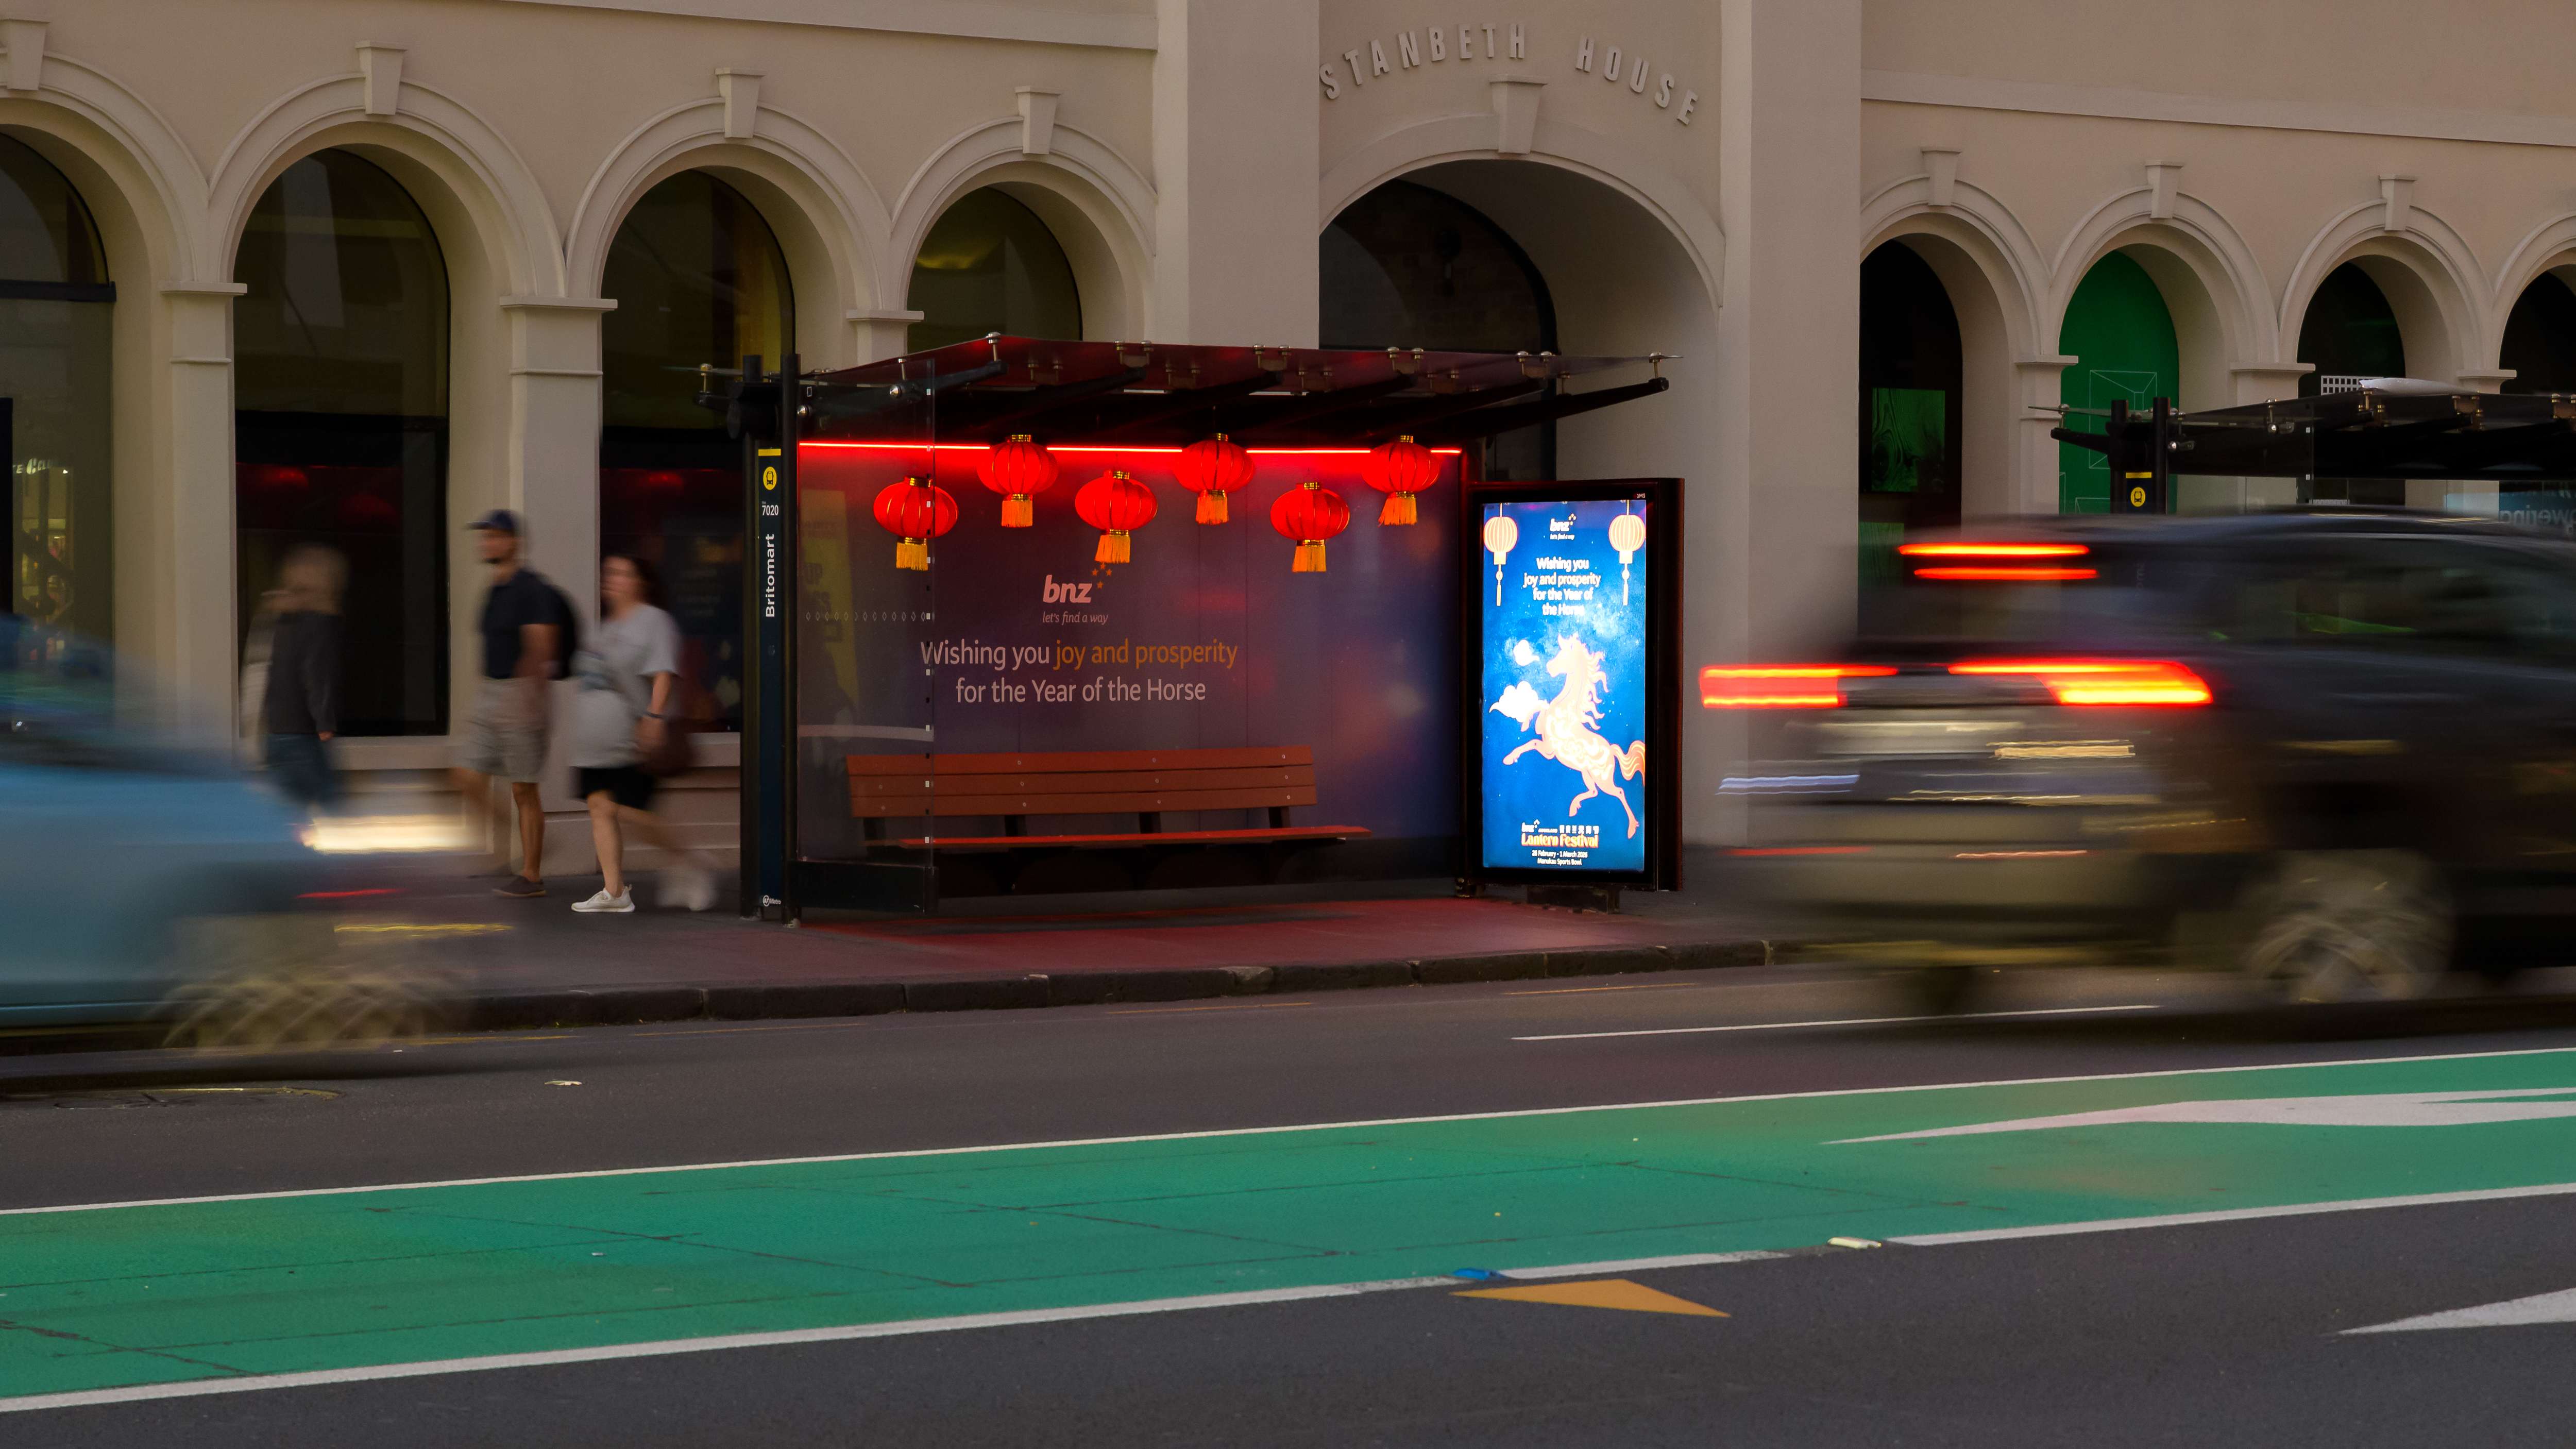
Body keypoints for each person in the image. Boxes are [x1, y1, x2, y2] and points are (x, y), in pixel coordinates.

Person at [567, 553, 715, 912]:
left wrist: (653, 716)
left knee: (631, 810)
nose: (611, 578)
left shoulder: (653, 621)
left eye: (621, 573)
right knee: (599, 806)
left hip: (632, 737)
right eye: (609, 572)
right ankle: (615, 892)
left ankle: (691, 860)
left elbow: (663, 672)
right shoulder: (605, 627)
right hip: (596, 742)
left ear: (640, 581)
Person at [452, 509, 567, 898]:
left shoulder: (531, 589)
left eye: (494, 536)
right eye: (483, 536)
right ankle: (517, 839)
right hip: (491, 693)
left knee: (523, 789)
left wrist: (529, 698)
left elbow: (542, 647)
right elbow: (486, 649)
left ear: (514, 542)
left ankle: (532, 875)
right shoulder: (493, 591)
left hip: (523, 694)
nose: (486, 543)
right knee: (466, 776)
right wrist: (480, 696)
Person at [260, 544, 344, 812]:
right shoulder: (317, 622)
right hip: (303, 732)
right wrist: (325, 722)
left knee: (288, 807)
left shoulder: (281, 620)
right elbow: (315, 673)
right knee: (330, 803)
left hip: (276, 732)